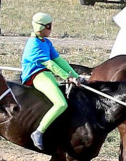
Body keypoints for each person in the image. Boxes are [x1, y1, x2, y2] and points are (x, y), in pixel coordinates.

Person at [21, 12, 81, 150]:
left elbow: (59, 61)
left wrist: (75, 75)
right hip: (37, 75)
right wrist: (68, 77)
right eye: (48, 26)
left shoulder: (46, 42)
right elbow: (49, 64)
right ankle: (38, 132)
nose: (50, 29)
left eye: (50, 25)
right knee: (61, 104)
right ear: (40, 27)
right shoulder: (34, 43)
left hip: (47, 75)